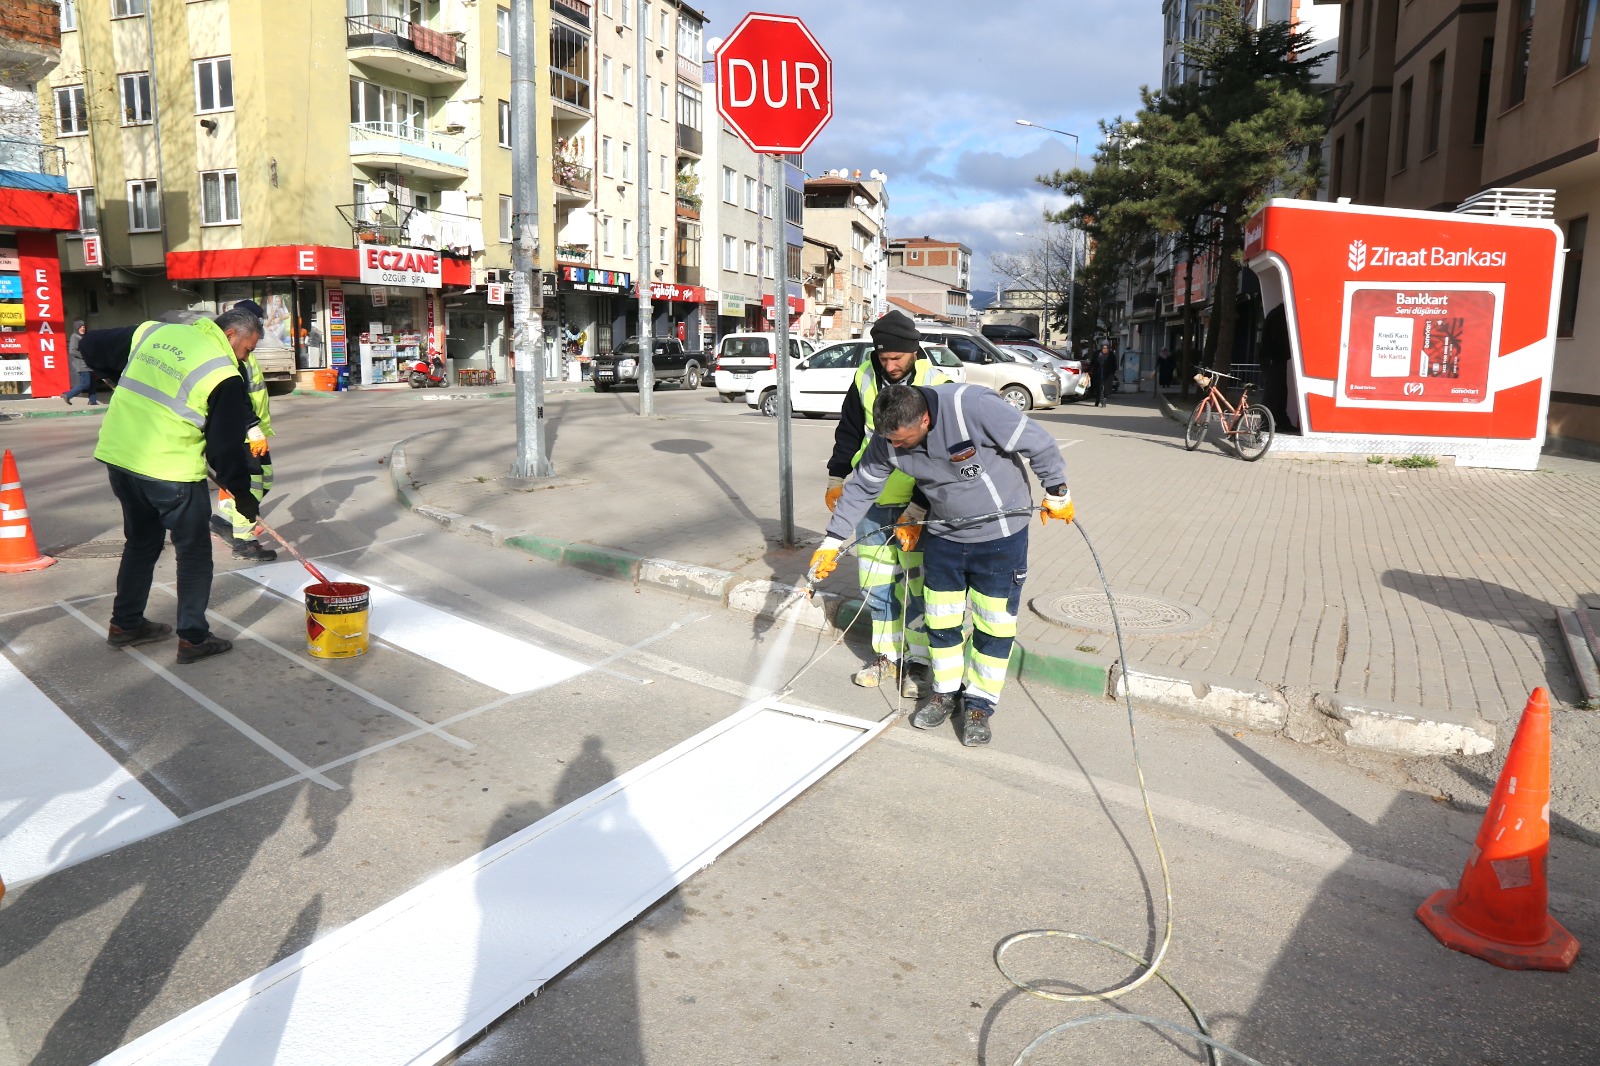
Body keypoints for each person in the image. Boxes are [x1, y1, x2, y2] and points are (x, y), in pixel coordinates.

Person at [810, 382, 1074, 746]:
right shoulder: (889, 438)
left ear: (926, 418)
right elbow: (862, 488)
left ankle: (980, 704)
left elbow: (1039, 443)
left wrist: (1058, 491)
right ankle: (944, 692)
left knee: (994, 626)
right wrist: (832, 541)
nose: (897, 448)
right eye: (891, 441)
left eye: (903, 440)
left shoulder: (974, 406)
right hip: (944, 537)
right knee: (941, 620)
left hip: (1000, 538)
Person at [88, 307, 265, 664]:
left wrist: (115, 376)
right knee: (194, 554)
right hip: (170, 470)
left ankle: (125, 625)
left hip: (121, 458)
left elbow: (92, 346)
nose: (247, 357)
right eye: (248, 348)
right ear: (231, 335)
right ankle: (194, 638)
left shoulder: (155, 332)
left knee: (141, 542)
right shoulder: (223, 372)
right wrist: (243, 496)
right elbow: (225, 449)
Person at [824, 309, 948, 697]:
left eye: (896, 357)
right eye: (883, 357)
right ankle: (886, 656)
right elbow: (848, 427)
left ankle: (919, 661)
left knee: (918, 585)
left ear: (913, 351)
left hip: (920, 503)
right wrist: (837, 475)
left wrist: (920, 507)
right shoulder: (864, 376)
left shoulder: (936, 383)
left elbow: (941, 455)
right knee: (877, 584)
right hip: (872, 500)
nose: (889, 365)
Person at [211, 300, 278, 561]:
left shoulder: (244, 350)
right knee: (253, 483)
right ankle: (244, 540)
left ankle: (224, 519)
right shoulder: (233, 356)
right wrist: (249, 428)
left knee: (265, 479)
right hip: (244, 431)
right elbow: (235, 398)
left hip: (255, 430)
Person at [60, 321, 100, 405]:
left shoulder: (84, 337)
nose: (83, 329)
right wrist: (85, 356)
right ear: (77, 328)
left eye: (84, 327)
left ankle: (92, 401)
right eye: (81, 327)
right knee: (85, 384)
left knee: (93, 384)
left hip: (89, 364)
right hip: (82, 365)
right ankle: (67, 395)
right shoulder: (75, 337)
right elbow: (72, 351)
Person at [1090, 341, 1114, 407]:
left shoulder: (1111, 355)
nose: (1105, 349)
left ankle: (1104, 401)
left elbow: (1114, 365)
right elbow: (1092, 362)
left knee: (1105, 388)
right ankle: (1097, 400)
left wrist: (1112, 373)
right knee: (1098, 388)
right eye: (1103, 348)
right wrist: (1089, 370)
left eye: (1106, 348)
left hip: (1107, 374)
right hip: (1098, 373)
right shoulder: (1097, 353)